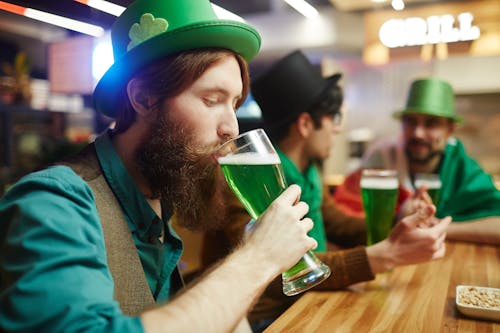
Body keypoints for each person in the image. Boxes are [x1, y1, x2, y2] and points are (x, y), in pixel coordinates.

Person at [0, 1, 321, 332]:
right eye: (212, 100)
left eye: (235, 104)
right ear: (144, 99)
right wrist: (258, 258)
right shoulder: (52, 204)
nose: (232, 127)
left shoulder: (159, 195)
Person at [199, 50, 451, 331]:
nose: (338, 130)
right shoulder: (249, 179)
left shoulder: (308, 171)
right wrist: (380, 256)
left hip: (309, 300)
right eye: (334, 119)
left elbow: (337, 223)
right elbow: (273, 273)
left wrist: (397, 221)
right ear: (306, 124)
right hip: (264, 318)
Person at [334, 77, 500, 245]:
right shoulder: (381, 158)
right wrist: (398, 219)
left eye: (431, 124)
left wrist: (438, 226)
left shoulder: (461, 167)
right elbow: (341, 218)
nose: (417, 133)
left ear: (450, 130)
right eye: (410, 122)